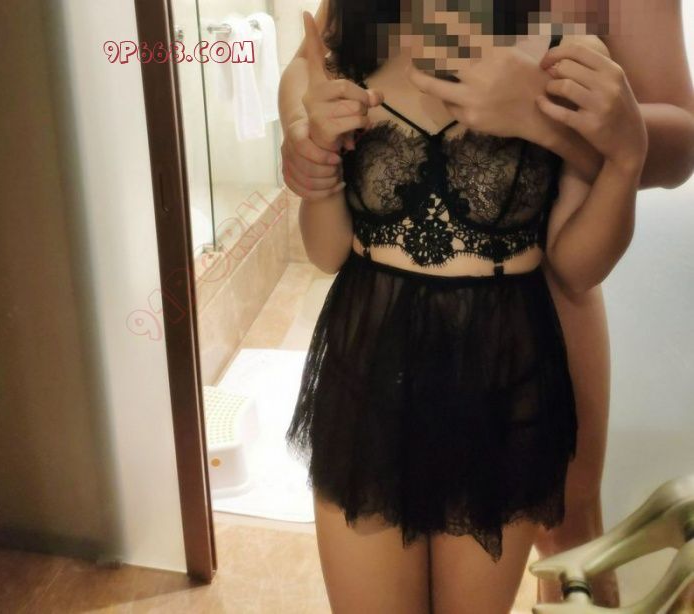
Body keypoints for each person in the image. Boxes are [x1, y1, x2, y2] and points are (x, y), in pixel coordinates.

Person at [278, 0, 694, 608]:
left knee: (571, 535)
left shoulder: (556, 51)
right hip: (370, 369)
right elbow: (312, 61)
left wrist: (605, 146)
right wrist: (308, 140)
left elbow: (584, 255)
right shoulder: (369, 30)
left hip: (509, 357)